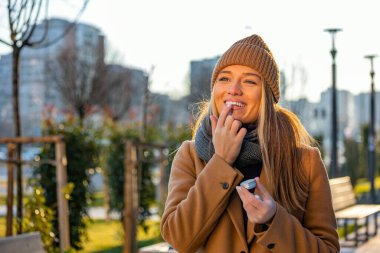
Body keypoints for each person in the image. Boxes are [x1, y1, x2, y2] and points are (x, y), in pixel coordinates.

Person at [160, 34, 340, 253]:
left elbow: (328, 249)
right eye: (224, 78)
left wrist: (274, 220)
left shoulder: (305, 162)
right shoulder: (190, 155)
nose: (233, 89)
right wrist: (221, 161)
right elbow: (178, 238)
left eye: (249, 81)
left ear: (267, 96)